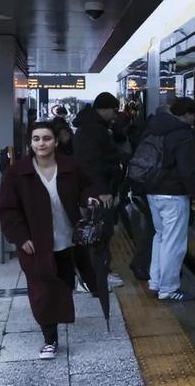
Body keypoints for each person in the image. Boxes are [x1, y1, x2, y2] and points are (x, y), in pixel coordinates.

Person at [0, 122, 101, 359]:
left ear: (56, 141)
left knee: (63, 283)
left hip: (68, 240)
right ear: (30, 143)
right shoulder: (17, 173)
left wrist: (90, 199)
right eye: (36, 139)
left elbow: (88, 186)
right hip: (35, 244)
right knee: (41, 289)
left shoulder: (70, 167)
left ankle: (60, 313)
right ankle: (49, 339)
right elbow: (7, 209)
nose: (41, 143)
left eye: (46, 138)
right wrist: (21, 237)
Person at [142, 97, 195, 300]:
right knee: (174, 243)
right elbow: (186, 170)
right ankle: (169, 289)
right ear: (185, 114)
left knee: (160, 237)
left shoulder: (154, 128)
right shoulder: (183, 134)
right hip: (174, 196)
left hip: (153, 192)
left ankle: (156, 282)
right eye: (194, 114)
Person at [73, 92, 126, 287]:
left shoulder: (91, 128)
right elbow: (90, 163)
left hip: (94, 190)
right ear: (103, 109)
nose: (115, 114)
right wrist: (102, 189)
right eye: (114, 109)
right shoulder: (93, 130)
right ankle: (97, 275)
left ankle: (98, 272)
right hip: (96, 193)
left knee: (99, 232)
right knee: (98, 233)